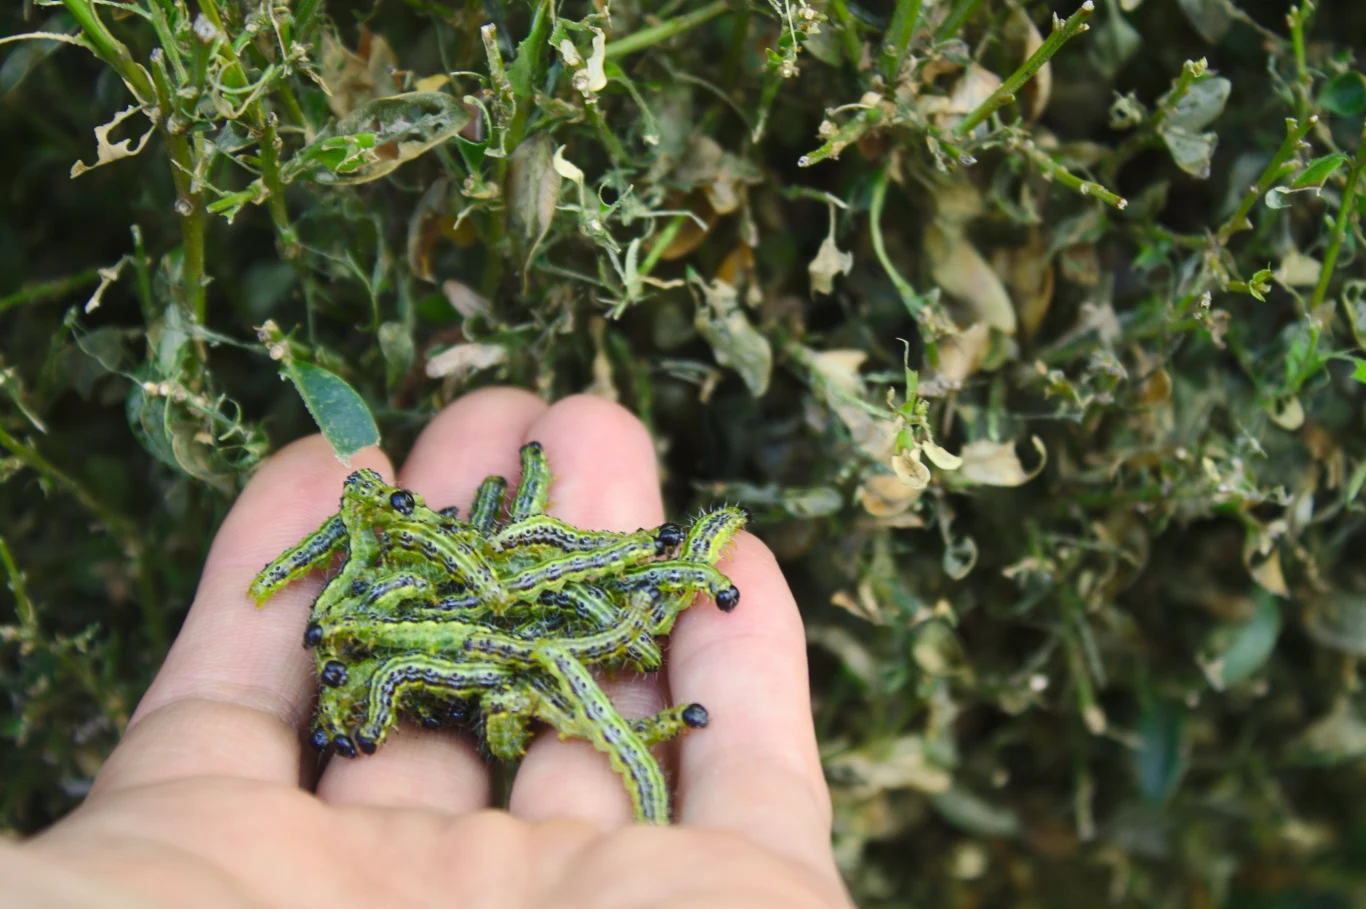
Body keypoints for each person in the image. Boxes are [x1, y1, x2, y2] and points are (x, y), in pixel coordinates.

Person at [4, 389, 854, 908]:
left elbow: (504, 597)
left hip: (530, 625)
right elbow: (484, 604)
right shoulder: (390, 618)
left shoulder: (529, 611)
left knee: (568, 634)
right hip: (479, 632)